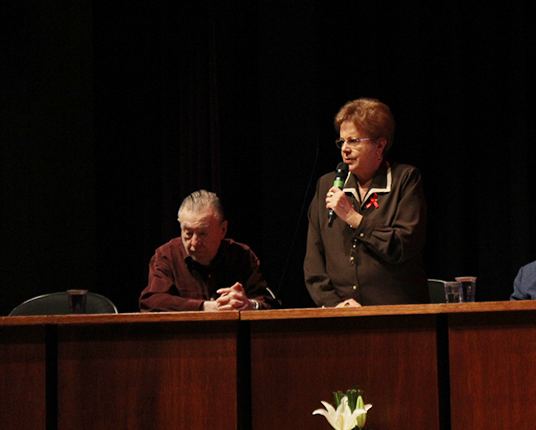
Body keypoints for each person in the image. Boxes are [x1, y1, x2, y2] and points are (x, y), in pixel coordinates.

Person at [304, 98, 428, 307]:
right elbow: (314, 262)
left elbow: (403, 245)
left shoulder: (404, 180)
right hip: (341, 314)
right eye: (341, 141)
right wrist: (335, 305)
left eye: (353, 141)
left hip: (396, 313)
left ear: (380, 145)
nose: (345, 149)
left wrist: (354, 218)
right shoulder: (327, 185)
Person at [140, 190, 278, 311]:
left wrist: (249, 305)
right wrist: (204, 307)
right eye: (188, 233)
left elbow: (268, 303)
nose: (194, 243)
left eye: (203, 234)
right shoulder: (166, 255)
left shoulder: (242, 256)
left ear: (223, 230)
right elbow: (151, 302)